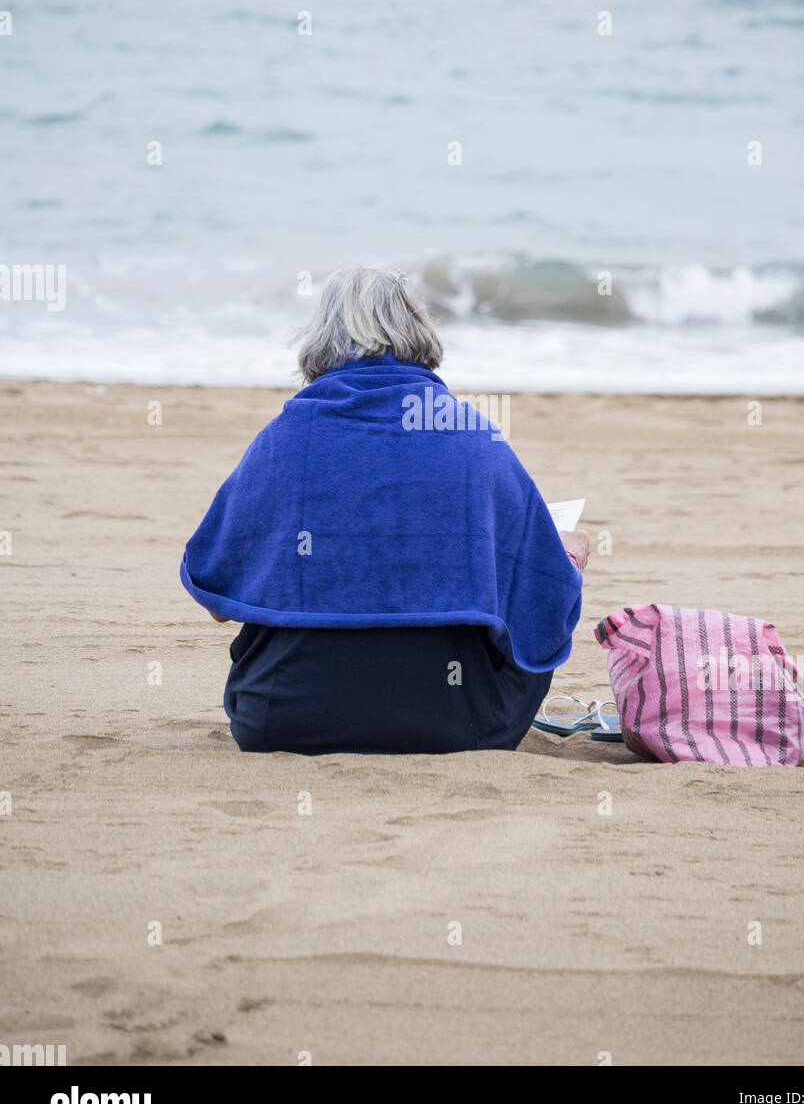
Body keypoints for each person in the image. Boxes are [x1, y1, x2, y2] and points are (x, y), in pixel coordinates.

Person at [180, 267, 589, 754]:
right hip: (458, 726)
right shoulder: (474, 436)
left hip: (282, 718)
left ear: (319, 340)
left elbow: (215, 602)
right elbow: (543, 601)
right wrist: (566, 559)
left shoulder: (284, 439)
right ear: (419, 330)